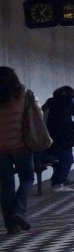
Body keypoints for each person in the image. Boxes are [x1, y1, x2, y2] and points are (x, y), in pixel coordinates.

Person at [0, 67, 36, 235]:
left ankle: (11, 226)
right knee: (27, 178)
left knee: (6, 186)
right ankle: (19, 210)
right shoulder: (22, 96)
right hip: (21, 147)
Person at [41, 86, 74, 192]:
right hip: (64, 137)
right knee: (68, 159)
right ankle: (57, 183)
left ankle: (59, 179)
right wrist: (72, 100)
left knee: (61, 159)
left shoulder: (50, 101)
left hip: (50, 135)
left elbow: (41, 111)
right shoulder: (67, 102)